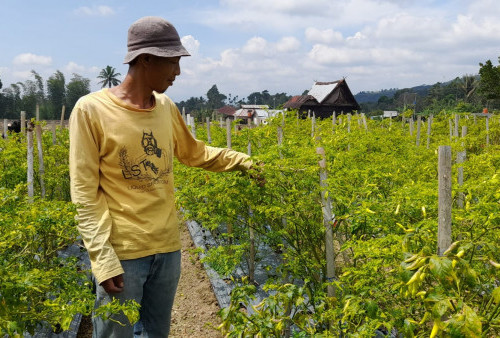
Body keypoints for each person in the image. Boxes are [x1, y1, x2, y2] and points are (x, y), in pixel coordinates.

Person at [69, 16, 253, 337]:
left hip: (167, 251)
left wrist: (244, 161)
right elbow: (85, 193)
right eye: (173, 62)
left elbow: (194, 153)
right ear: (145, 59)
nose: (178, 72)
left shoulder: (166, 107)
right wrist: (102, 258)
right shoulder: (91, 110)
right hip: (123, 255)